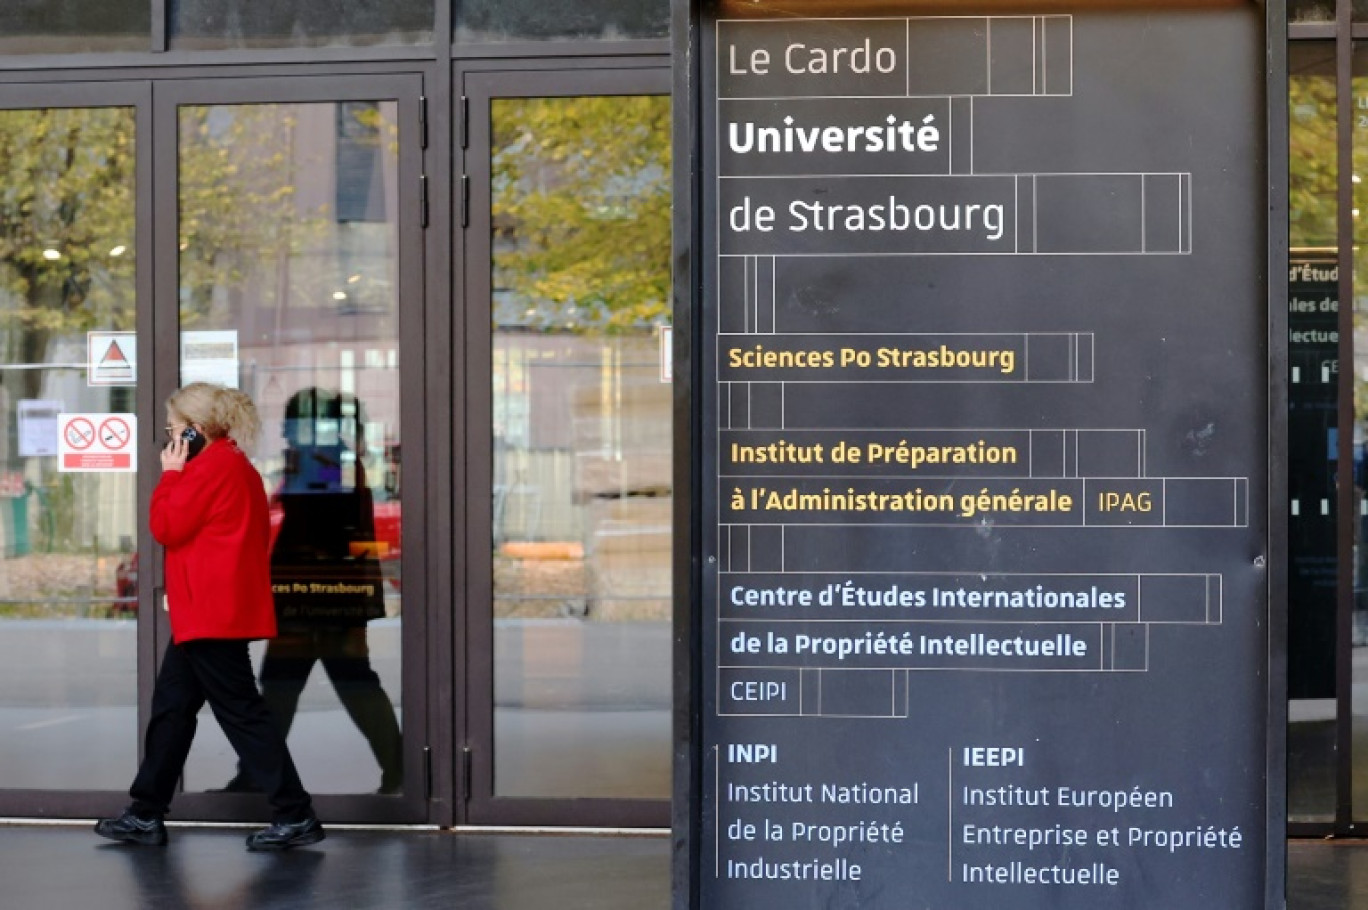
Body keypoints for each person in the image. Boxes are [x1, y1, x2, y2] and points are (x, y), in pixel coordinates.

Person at [95, 382, 325, 851]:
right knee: (173, 710)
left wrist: (172, 475)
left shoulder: (208, 469)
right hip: (208, 612)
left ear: (196, 430)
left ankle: (295, 813)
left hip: (210, 615)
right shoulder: (234, 464)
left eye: (174, 429)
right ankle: (145, 812)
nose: (170, 439)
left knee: (242, 714)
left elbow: (166, 527)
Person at [218, 388, 403, 795]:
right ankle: (398, 769)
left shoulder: (321, 466)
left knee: (294, 685)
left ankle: (256, 774)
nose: (284, 430)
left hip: (313, 599)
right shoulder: (326, 462)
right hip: (326, 597)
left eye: (291, 421)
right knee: (335, 683)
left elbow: (317, 534)